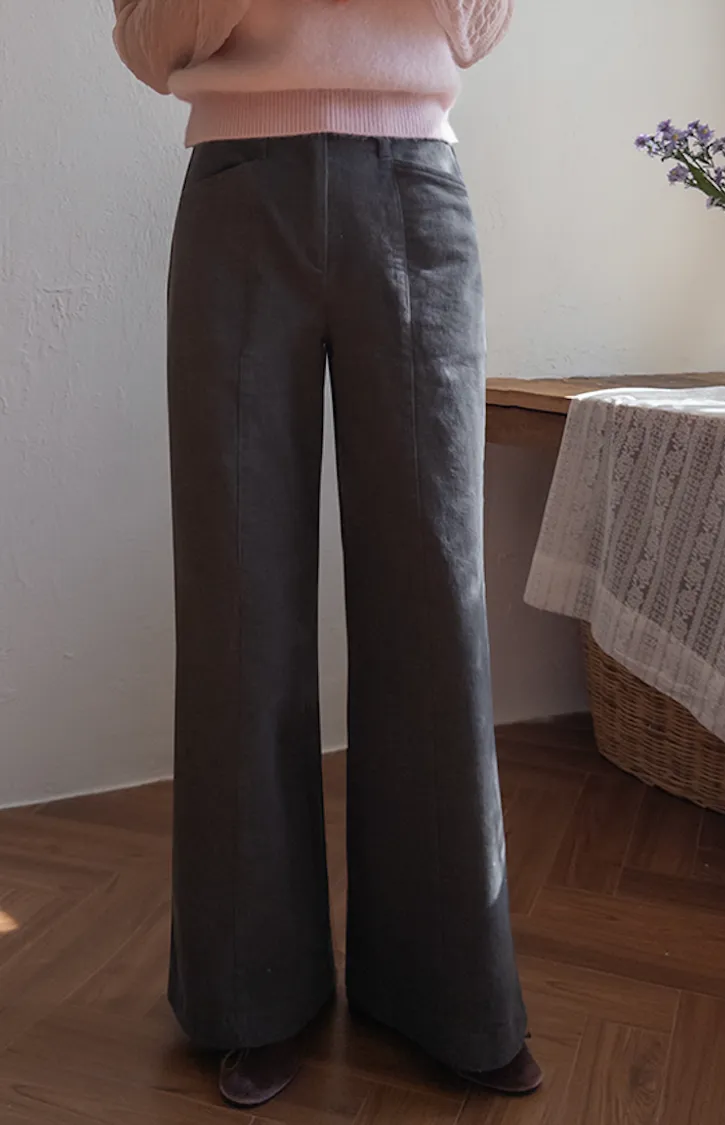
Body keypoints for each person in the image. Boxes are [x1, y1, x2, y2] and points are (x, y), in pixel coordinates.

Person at [112, 0, 542, 1109]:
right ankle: (250, 994)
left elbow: (476, 23)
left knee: (434, 596)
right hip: (236, 196)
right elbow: (147, 43)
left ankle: (448, 990)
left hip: (414, 191)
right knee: (237, 604)